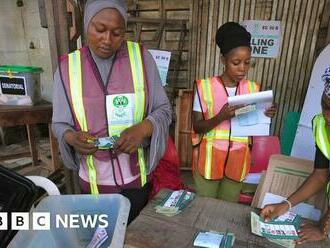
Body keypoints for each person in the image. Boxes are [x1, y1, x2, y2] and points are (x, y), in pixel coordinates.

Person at [52, 0, 172, 223]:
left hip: (136, 179)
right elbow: (59, 123)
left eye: (117, 33)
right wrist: (72, 138)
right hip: (94, 183)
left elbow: (164, 109)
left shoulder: (142, 59)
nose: (107, 40)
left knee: (134, 237)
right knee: (101, 236)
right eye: (99, 30)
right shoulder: (68, 67)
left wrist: (143, 128)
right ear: (86, 24)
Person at [191, 22, 276, 202]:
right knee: (204, 210)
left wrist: (265, 115)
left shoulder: (253, 89)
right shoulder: (204, 87)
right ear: (223, 60)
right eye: (236, 63)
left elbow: (255, 125)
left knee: (226, 213)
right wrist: (221, 116)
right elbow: (197, 127)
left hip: (238, 163)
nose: (242, 69)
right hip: (208, 163)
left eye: (247, 63)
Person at [261, 67, 330, 244]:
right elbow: (320, 175)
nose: (328, 117)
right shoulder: (320, 124)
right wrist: (285, 206)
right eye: (325, 106)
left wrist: (322, 227)